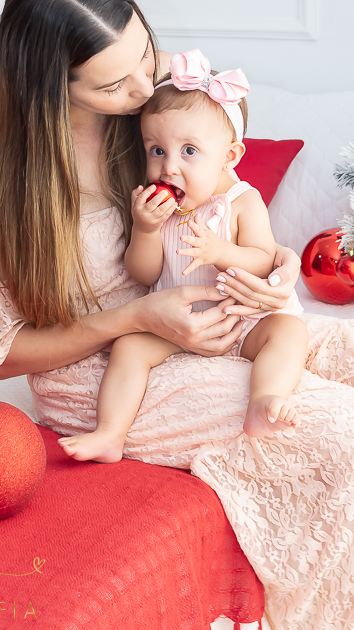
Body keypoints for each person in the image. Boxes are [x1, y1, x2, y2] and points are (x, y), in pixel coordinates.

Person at [0, 0, 354, 630]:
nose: (145, 84)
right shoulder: (10, 174)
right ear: (52, 87)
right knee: (351, 435)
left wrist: (277, 263)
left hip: (206, 305)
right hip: (109, 361)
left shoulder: (157, 84)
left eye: (144, 52)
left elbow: (226, 180)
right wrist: (140, 316)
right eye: (117, 83)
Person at [57, 48, 308, 463]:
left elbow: (264, 259)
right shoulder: (161, 208)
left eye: (189, 151)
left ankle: (265, 400)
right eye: (157, 150)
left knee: (288, 333)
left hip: (239, 323)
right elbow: (143, 273)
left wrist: (220, 251)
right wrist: (146, 229)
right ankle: (109, 434)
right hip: (174, 326)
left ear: (230, 157)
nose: (169, 168)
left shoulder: (242, 201)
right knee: (129, 348)